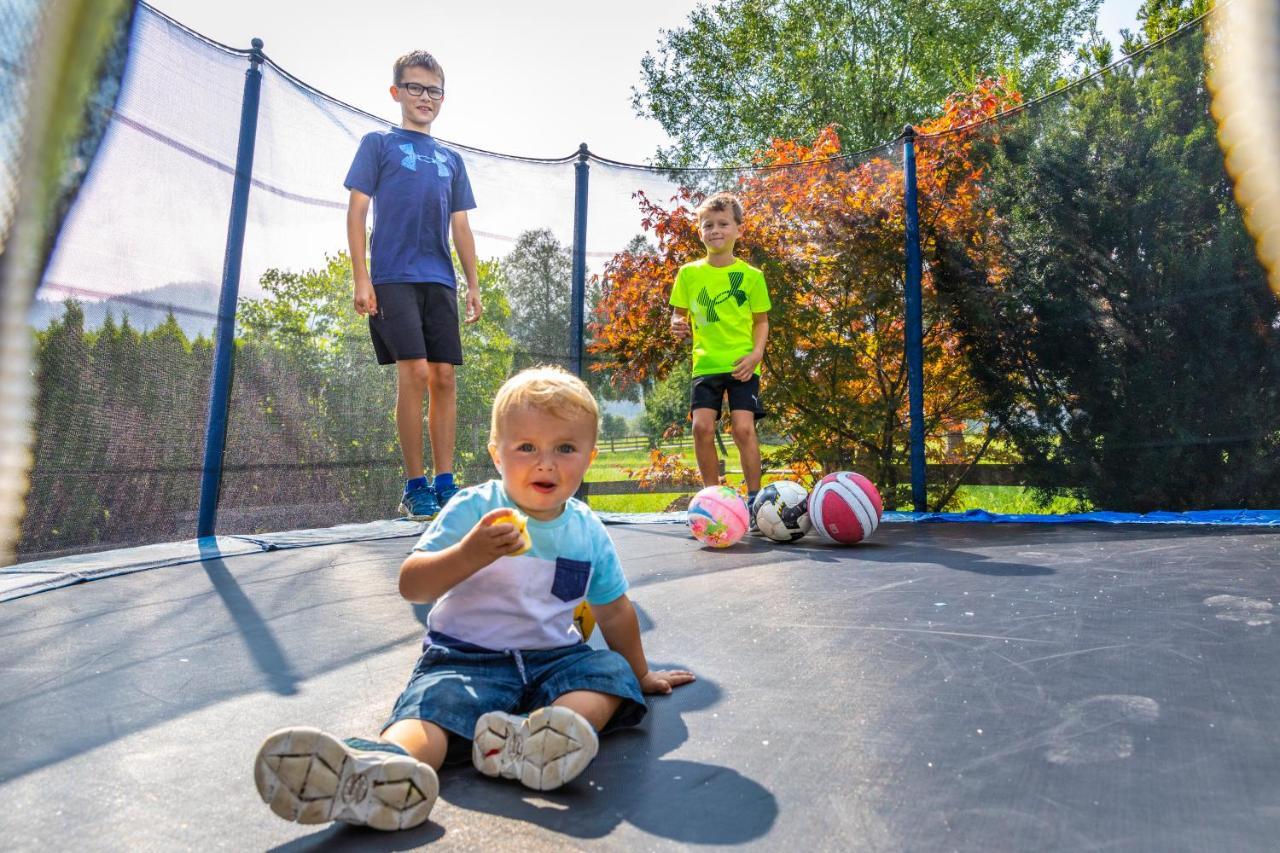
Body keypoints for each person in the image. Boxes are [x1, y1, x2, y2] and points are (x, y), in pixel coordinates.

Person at [253, 366, 695, 831]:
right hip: (465, 659)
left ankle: (536, 740)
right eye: (527, 447)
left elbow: (614, 609)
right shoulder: (473, 508)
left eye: (565, 448)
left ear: (589, 456)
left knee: (609, 674)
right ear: (497, 454)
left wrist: (640, 672)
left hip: (555, 660)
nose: (546, 463)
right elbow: (413, 585)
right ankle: (376, 770)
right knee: (434, 707)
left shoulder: (587, 530)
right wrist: (470, 553)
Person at [345, 50, 482, 520]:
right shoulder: (377, 144)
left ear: (443, 97)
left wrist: (473, 284)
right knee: (417, 374)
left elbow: (460, 226)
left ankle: (446, 482)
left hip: (440, 279)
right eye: (415, 87)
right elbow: (358, 210)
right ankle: (414, 485)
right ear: (396, 92)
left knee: (444, 377)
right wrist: (361, 277)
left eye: (433, 90)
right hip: (392, 277)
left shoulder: (452, 159)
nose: (425, 97)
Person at [669, 192, 772, 525]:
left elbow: (761, 321)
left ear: (738, 230)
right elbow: (678, 315)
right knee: (701, 428)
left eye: (723, 224)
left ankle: (755, 502)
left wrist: (756, 355)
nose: (715, 230)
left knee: (743, 430)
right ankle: (712, 502)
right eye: (708, 225)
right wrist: (677, 324)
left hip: (742, 364)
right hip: (706, 365)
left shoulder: (752, 277)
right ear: (700, 231)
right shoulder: (688, 274)